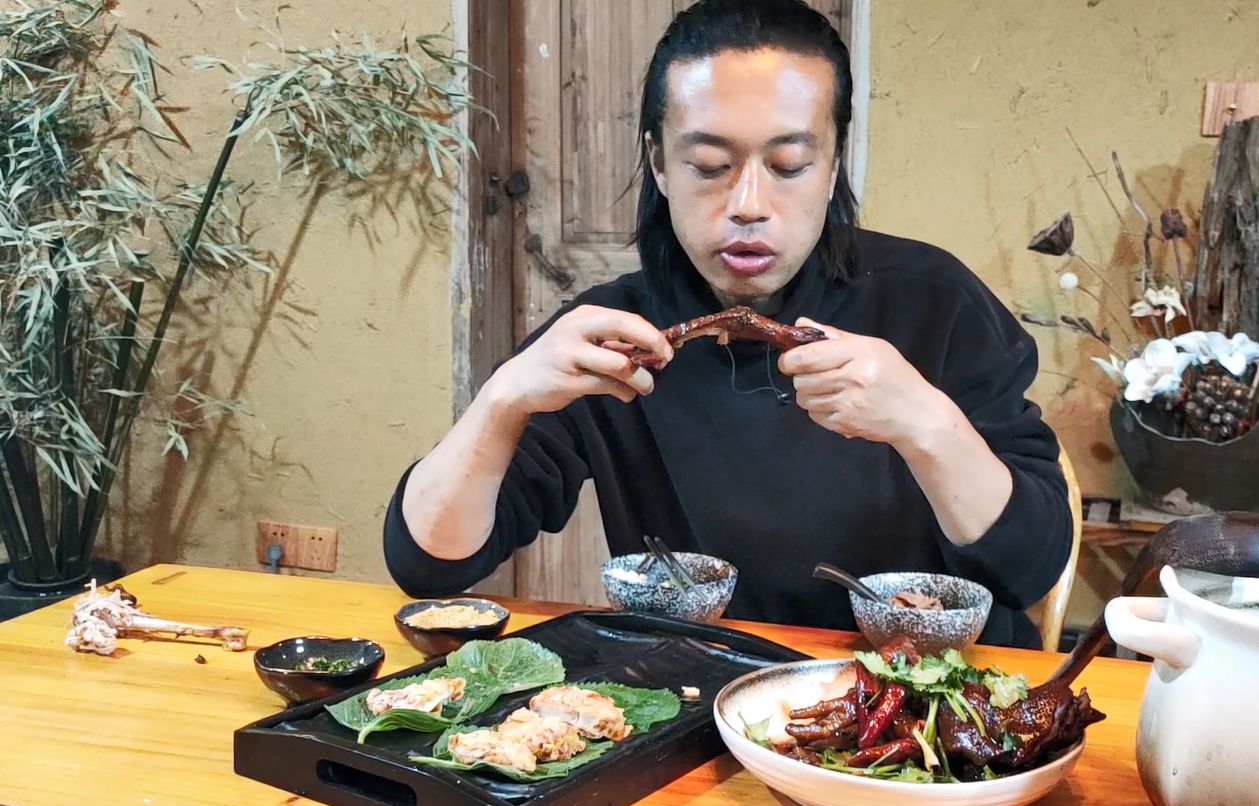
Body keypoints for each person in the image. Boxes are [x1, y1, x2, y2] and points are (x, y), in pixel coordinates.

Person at [384, 0, 1071, 648]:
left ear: (833, 166)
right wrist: (504, 397)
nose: (748, 204)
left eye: (789, 165)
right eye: (710, 165)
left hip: (917, 712)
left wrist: (926, 424)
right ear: (657, 161)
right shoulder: (613, 336)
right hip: (699, 701)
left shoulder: (933, 302)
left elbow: (1029, 567)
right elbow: (431, 564)